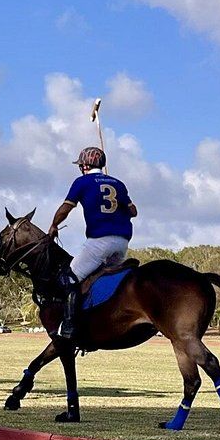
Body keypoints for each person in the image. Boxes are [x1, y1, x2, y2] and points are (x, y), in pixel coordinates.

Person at [47, 146, 137, 340]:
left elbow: (65, 208)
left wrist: (54, 224)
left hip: (100, 241)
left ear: (85, 165)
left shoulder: (82, 182)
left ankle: (69, 325)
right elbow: (133, 212)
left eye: (81, 165)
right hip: (122, 243)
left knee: (69, 279)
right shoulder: (118, 184)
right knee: (101, 279)